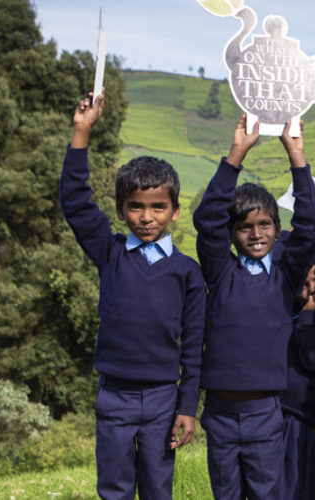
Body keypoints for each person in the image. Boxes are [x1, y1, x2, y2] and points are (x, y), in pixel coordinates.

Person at [60, 92, 204, 500]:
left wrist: (187, 407)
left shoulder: (187, 273)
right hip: (114, 397)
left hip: (163, 400)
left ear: (175, 211)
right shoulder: (110, 255)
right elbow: (74, 202)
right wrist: (81, 131)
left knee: (159, 490)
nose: (146, 217)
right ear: (121, 211)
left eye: (158, 207)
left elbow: (193, 348)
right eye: (136, 207)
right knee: (114, 489)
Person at [192, 115, 315, 499]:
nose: (256, 234)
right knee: (227, 493)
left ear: (278, 228)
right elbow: (206, 219)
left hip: (267, 413)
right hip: (218, 413)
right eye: (245, 227)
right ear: (232, 234)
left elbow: (312, 224)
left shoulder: (285, 276)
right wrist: (237, 154)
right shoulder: (219, 271)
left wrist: (295, 155)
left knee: (268, 493)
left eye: (265, 225)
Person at [280, 261, 315, 500]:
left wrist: (309, 312)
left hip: (300, 422)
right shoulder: (285, 314)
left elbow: (313, 358)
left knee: (300, 487)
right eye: (304, 282)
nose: (311, 288)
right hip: (275, 417)